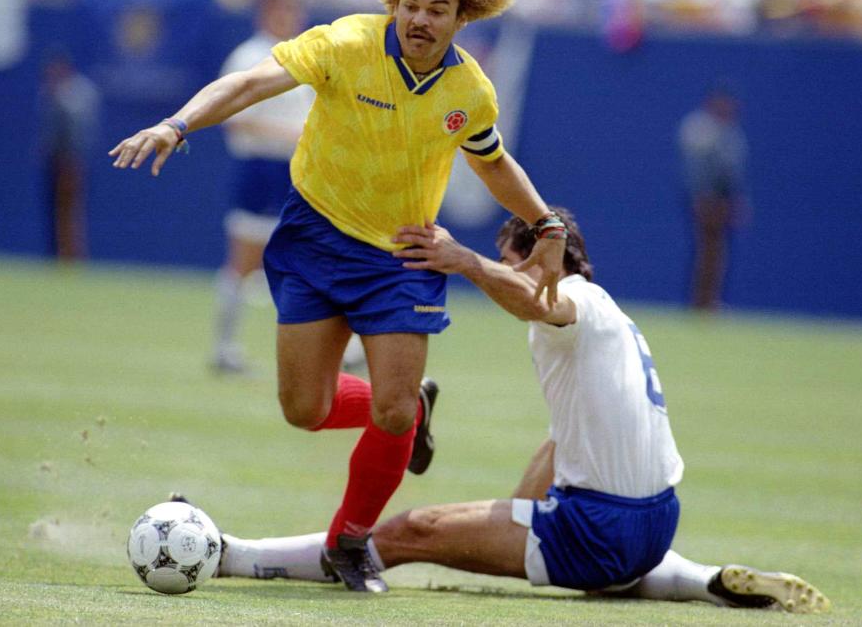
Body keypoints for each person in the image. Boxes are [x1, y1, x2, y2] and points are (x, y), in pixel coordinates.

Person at [109, 0, 567, 592]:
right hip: (314, 241)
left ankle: (350, 542)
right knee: (305, 408)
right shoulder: (345, 42)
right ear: (393, 1)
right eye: (409, 4)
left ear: (461, 17)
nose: (419, 18)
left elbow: (494, 163)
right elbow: (252, 83)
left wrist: (546, 224)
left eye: (436, 9)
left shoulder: (468, 90)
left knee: (389, 410)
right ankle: (414, 408)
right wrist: (179, 123)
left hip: (401, 258)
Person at [206, 208, 830, 614]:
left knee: (403, 533)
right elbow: (561, 442)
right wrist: (510, 521)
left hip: (599, 526)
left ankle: (232, 553)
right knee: (592, 565)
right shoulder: (611, 317)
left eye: (509, 262)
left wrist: (464, 261)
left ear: (545, 262)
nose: (501, 277)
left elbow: (536, 300)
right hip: (655, 522)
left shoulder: (571, 301)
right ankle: (706, 580)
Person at [209, 0, 365, 375]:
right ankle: (224, 348)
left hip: (305, 171)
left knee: (324, 256)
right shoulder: (248, 56)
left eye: (294, 11)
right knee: (244, 261)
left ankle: (339, 350)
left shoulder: (309, 56)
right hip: (263, 169)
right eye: (282, 11)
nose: (290, 19)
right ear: (266, 13)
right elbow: (235, 120)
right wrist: (293, 135)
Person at [677, 84, 749, 310]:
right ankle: (702, 300)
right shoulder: (701, 128)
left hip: (722, 199)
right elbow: (699, 170)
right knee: (708, 251)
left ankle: (709, 300)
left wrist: (736, 200)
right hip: (708, 199)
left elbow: (733, 173)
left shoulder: (730, 131)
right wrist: (701, 197)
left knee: (717, 253)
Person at [39, 48, 100, 261]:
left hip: (70, 160)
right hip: (57, 160)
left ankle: (71, 256)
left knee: (70, 210)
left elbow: (77, 129)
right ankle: (61, 254)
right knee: (58, 210)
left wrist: (71, 157)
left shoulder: (75, 92)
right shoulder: (54, 90)